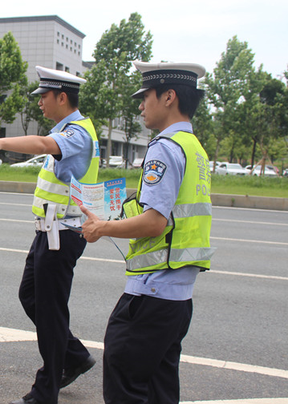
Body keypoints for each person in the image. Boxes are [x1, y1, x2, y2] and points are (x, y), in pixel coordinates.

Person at [79, 61, 215, 404]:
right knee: (160, 389)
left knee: (125, 384)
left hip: (151, 293)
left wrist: (102, 227)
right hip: (177, 298)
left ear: (169, 97)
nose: (140, 105)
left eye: (145, 96)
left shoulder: (164, 147)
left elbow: (156, 221)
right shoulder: (194, 147)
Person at [0, 66, 100, 404]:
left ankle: (45, 392)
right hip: (47, 232)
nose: (40, 102)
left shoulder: (77, 133)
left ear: (62, 97)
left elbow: (43, 144)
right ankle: (73, 356)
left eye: (44, 96)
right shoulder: (68, 129)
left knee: (50, 311)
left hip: (62, 234)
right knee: (32, 297)